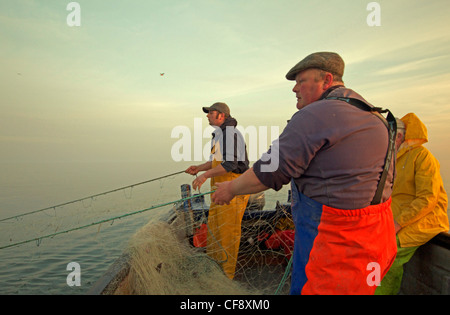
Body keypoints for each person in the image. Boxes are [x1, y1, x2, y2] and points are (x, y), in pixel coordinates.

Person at [212, 52, 398, 294]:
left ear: (327, 80)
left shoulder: (316, 114)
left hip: (331, 244)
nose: (294, 89)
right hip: (375, 244)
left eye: (301, 81)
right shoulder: (377, 118)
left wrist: (230, 189)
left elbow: (270, 170)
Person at [375, 113, 449, 295]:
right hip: (398, 220)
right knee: (374, 254)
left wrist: (398, 223)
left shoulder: (423, 157)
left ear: (399, 136)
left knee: (388, 256)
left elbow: (427, 199)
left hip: (424, 221)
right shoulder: (397, 158)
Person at [185, 102, 250, 279]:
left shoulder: (231, 134)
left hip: (233, 187)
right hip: (220, 188)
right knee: (215, 228)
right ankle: (215, 271)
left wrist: (205, 176)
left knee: (227, 232)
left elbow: (230, 165)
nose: (207, 116)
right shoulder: (220, 135)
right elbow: (216, 162)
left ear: (221, 115)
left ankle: (226, 276)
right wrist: (198, 168)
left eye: (210, 113)